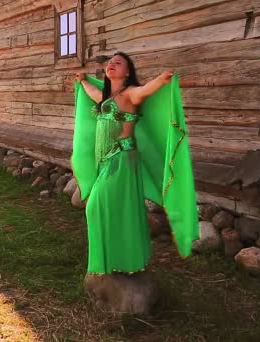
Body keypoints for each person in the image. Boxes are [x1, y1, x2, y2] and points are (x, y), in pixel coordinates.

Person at [72, 52, 199, 275]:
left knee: (95, 208)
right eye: (109, 63)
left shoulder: (130, 94)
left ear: (127, 72)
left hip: (121, 159)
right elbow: (91, 91)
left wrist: (162, 78)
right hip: (105, 161)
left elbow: (145, 90)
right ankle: (114, 261)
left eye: (118, 63)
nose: (111, 65)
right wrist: (82, 79)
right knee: (115, 209)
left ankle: (116, 260)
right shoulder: (104, 97)